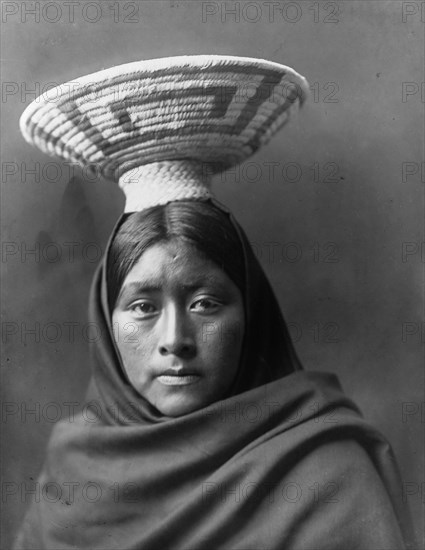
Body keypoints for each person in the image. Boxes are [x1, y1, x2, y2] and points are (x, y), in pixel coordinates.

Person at [15, 55, 415, 549]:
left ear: (251, 312)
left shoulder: (326, 477)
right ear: (105, 319)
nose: (175, 341)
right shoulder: (70, 477)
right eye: (143, 307)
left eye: (205, 303)